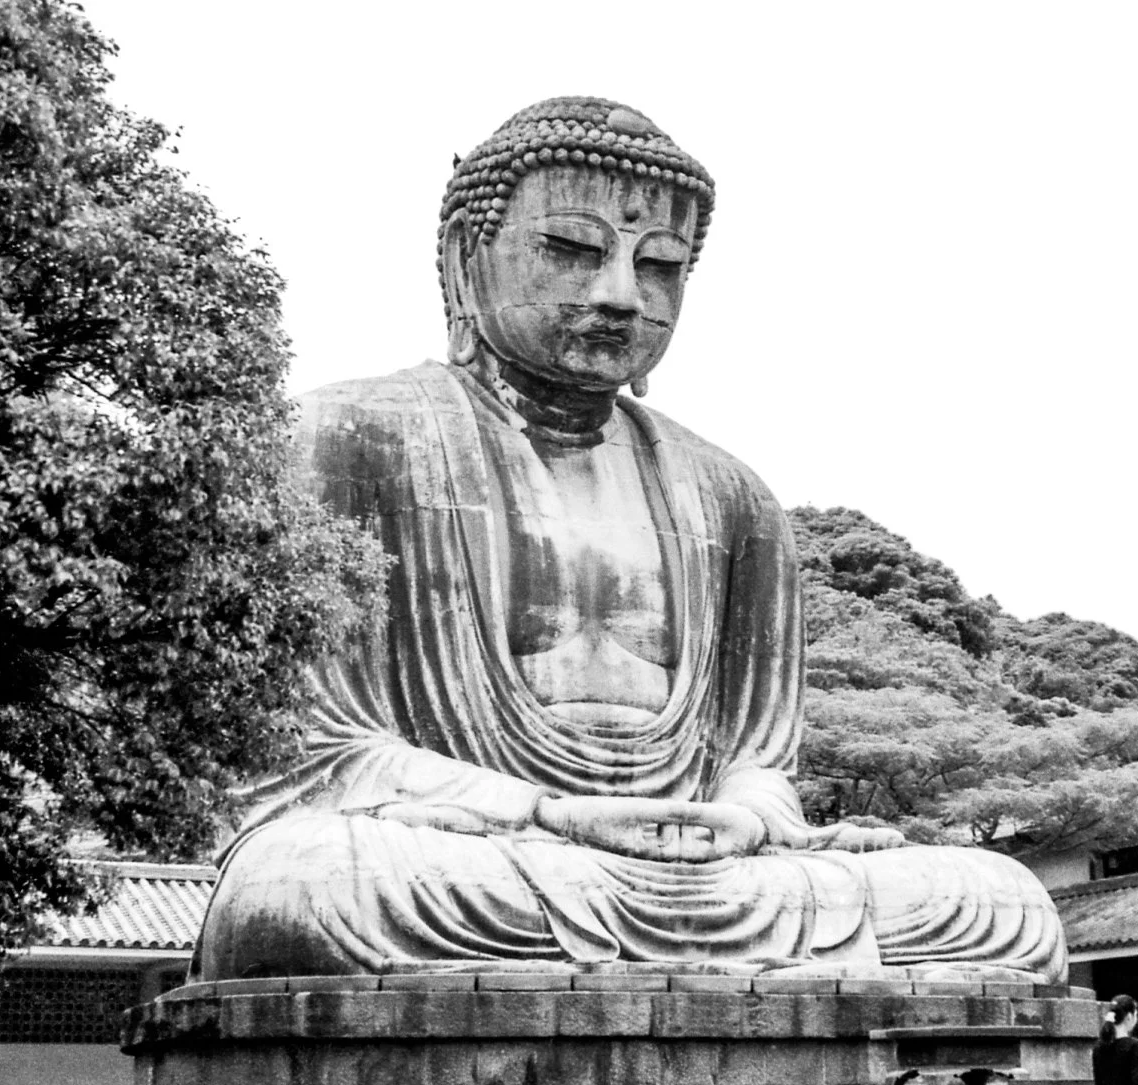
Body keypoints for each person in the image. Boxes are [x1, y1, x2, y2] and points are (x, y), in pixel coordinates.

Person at [191, 97, 1063, 981]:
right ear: (464, 260)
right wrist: (546, 813)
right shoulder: (338, 438)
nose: (618, 294)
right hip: (472, 853)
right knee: (302, 886)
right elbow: (303, 752)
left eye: (660, 267)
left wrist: (748, 817)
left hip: (701, 869)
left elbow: (757, 761)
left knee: (1000, 901)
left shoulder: (731, 495)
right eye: (571, 250)